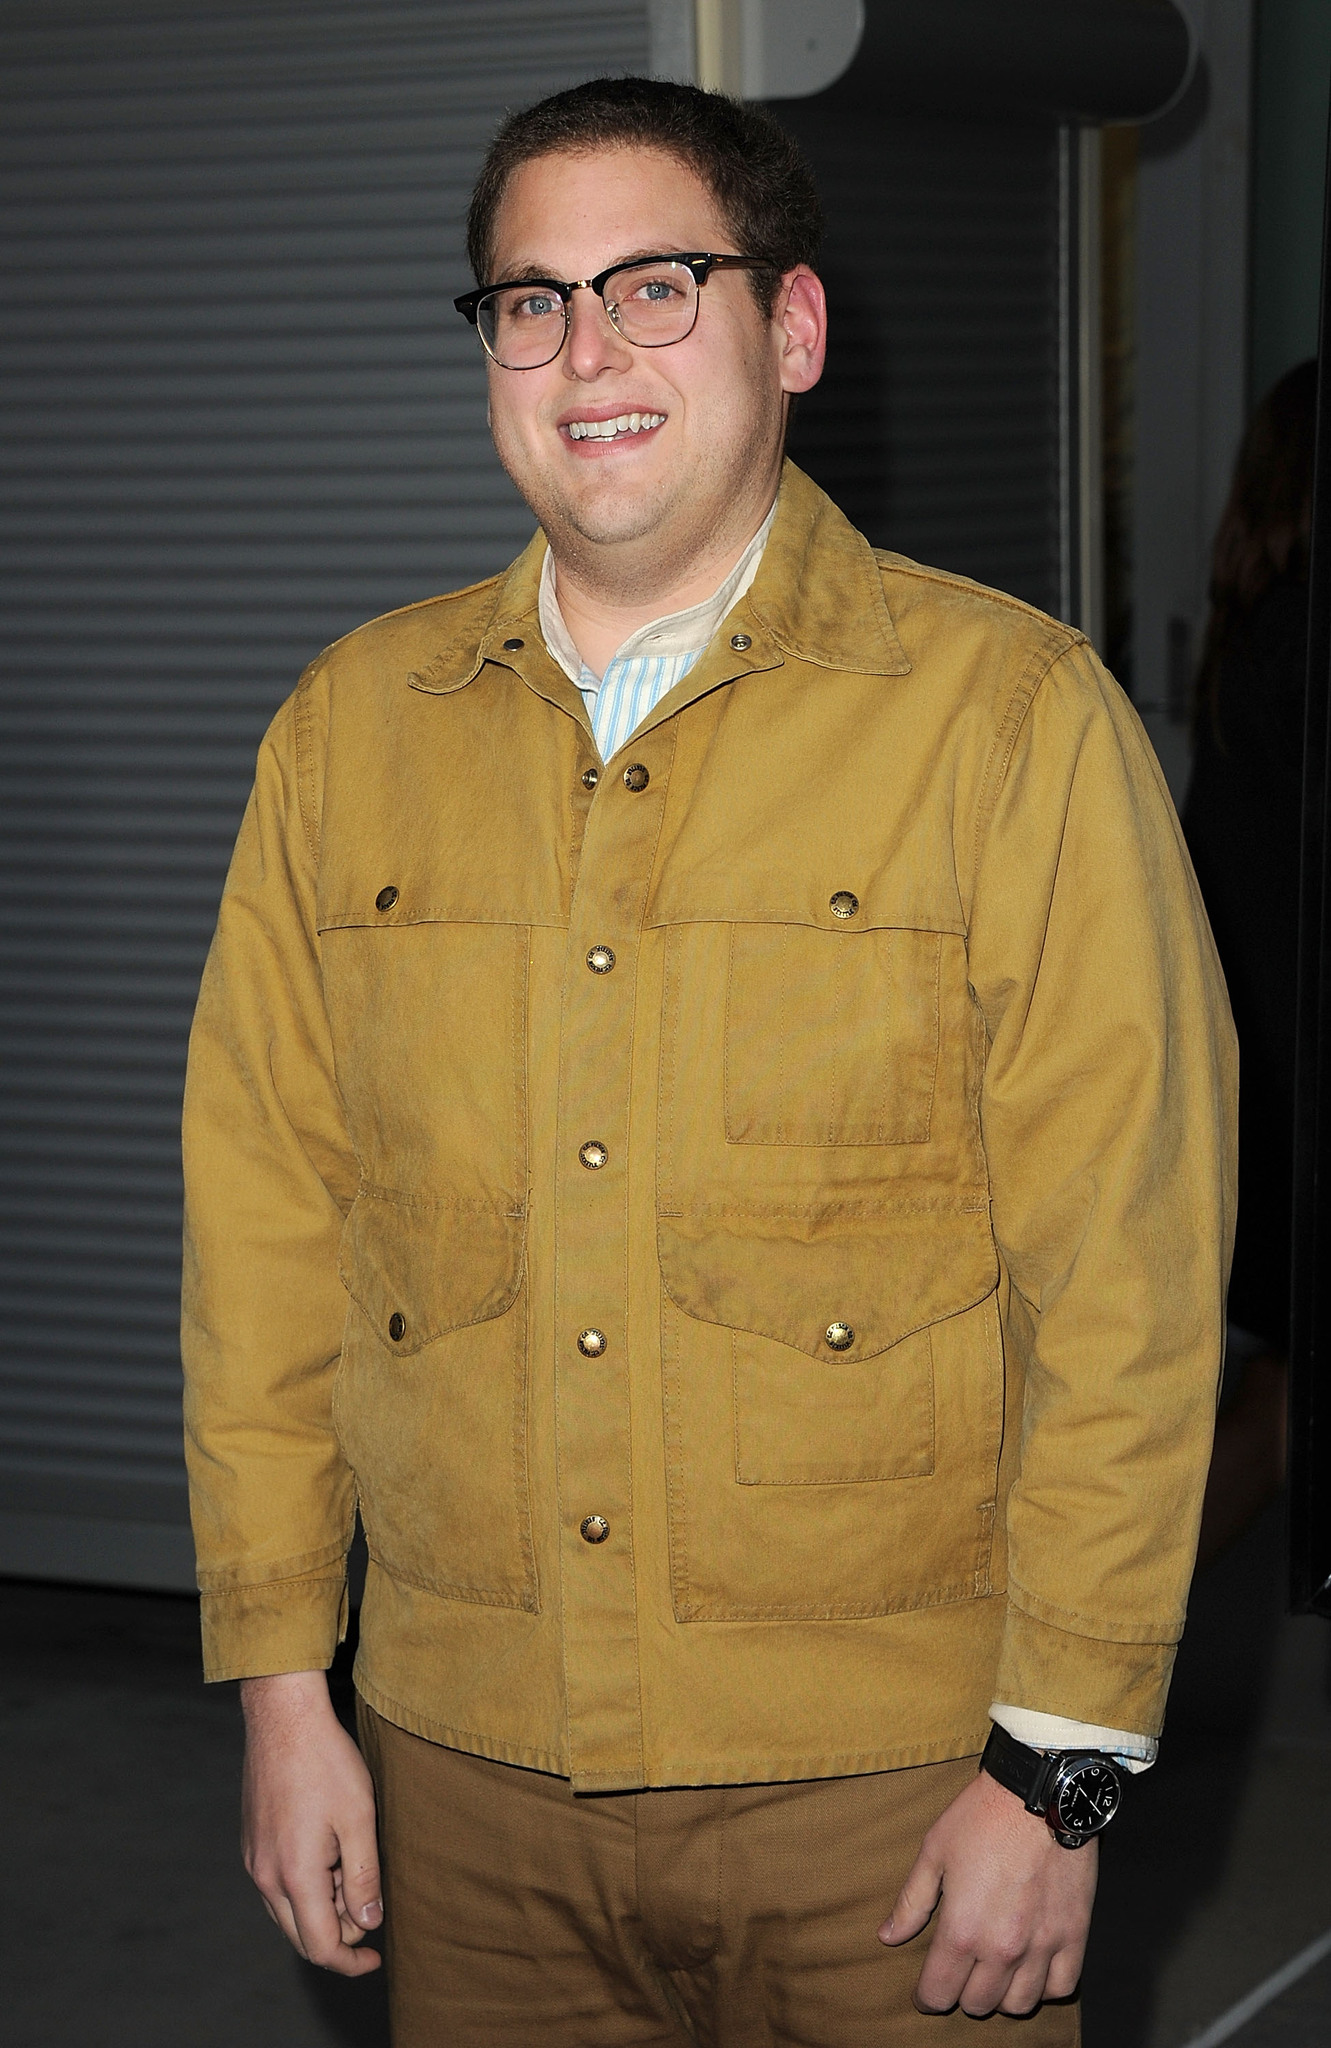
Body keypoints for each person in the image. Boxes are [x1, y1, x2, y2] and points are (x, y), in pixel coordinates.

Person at [181, 76, 1236, 2045]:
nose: (586, 352)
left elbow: (1129, 1274)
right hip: (465, 1784)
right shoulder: (347, 735)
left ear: (792, 328)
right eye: (529, 299)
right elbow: (267, 1235)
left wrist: (1057, 1768)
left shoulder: (1007, 723)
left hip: (898, 1795)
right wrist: (277, 1687)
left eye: (653, 286)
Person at [1183, 358, 1315, 1564]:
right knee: (1281, 1403)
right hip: (1287, 1073)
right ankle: (1108, 1639)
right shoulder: (1300, 640)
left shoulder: (1254, 622)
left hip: (1256, 1064)